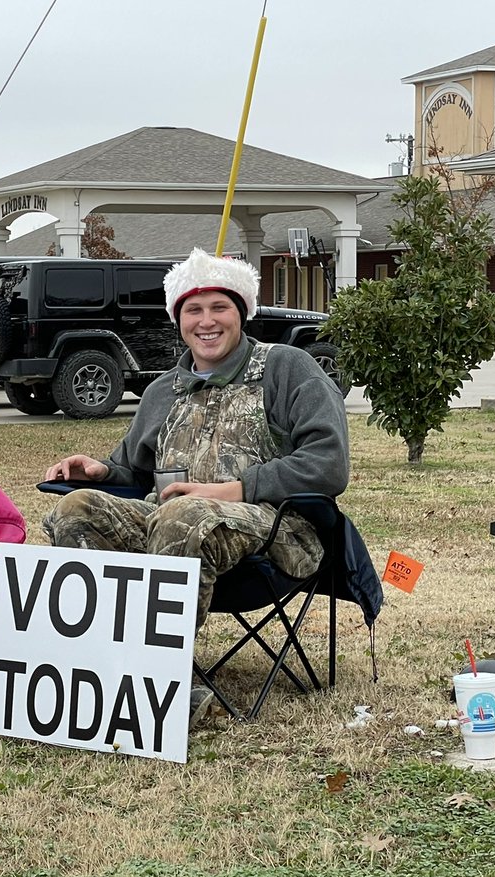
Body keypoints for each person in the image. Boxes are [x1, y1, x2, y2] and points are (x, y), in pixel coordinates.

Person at [41, 248, 349, 723]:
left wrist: (232, 490)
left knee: (187, 515)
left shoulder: (287, 367)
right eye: (193, 309)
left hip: (278, 535)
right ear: (178, 319)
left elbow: (328, 465)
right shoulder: (164, 389)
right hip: (170, 523)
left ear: (242, 312)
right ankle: (96, 670)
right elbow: (136, 471)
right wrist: (102, 472)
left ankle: (159, 682)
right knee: (77, 508)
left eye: (219, 307)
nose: (207, 321)